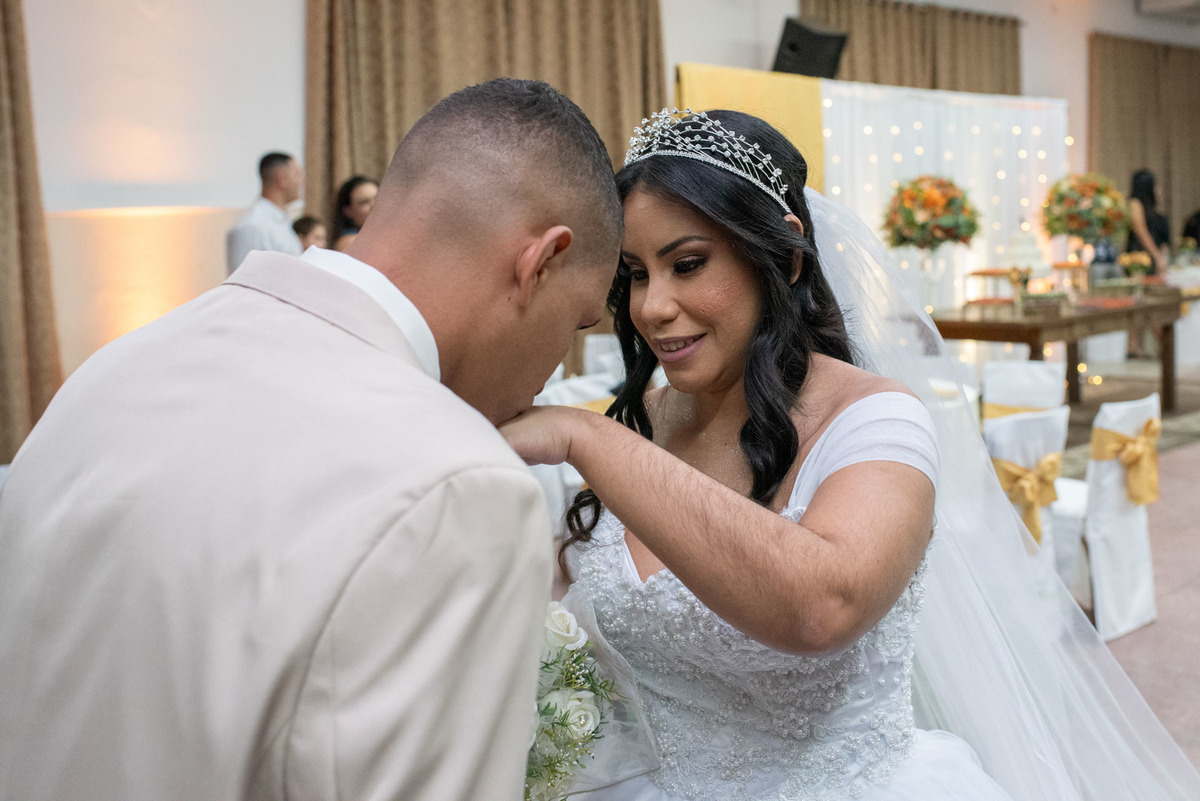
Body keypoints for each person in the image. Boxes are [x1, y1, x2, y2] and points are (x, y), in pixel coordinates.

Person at [502, 109, 1200, 801]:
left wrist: (587, 436)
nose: (654, 307)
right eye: (636, 274)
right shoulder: (644, 422)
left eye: (688, 264)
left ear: (787, 252)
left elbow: (822, 606)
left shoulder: (876, 421)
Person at [0, 78, 622, 801]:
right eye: (576, 326)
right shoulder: (462, 486)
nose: (552, 373)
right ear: (539, 261)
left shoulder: (112, 368)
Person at [226, 151, 305, 274]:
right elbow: (243, 280)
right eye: (298, 175)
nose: (301, 182)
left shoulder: (281, 220)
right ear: (282, 179)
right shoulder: (251, 225)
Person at [1126, 169, 1170, 358]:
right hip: (1137, 261)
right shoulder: (1134, 204)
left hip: (1151, 261)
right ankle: (1134, 347)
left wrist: (1162, 258)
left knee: (1147, 304)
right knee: (1137, 303)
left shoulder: (1156, 213)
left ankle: (1142, 347)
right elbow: (1140, 231)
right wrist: (1157, 257)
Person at [331, 175, 379, 251]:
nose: (374, 205)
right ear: (348, 211)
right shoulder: (350, 242)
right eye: (364, 202)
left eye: (378, 198)